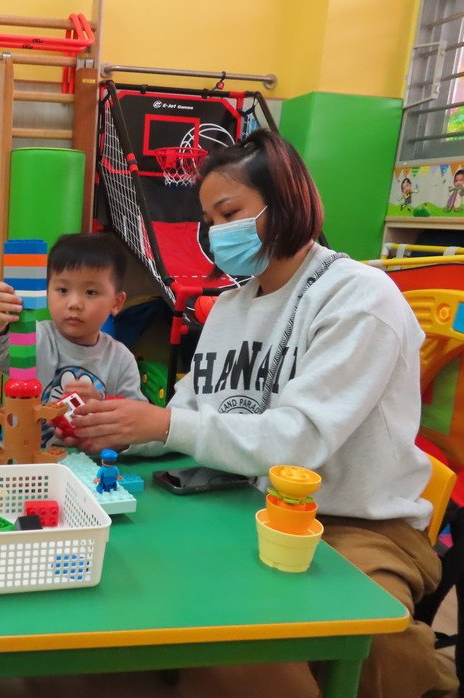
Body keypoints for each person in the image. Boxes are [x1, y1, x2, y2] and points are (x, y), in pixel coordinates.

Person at [66, 129, 458, 697]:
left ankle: (424, 680)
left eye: (229, 213)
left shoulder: (358, 297)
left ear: (288, 201)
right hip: (247, 506)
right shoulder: (230, 306)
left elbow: (299, 441)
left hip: (355, 524)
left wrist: (165, 424)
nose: (217, 233)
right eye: (209, 221)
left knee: (333, 642)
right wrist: (120, 428)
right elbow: (190, 413)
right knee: (175, 608)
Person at [0, 232, 145, 425]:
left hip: (94, 445)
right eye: (63, 290)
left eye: (91, 292)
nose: (74, 304)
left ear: (116, 302)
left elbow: (136, 422)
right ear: (47, 291)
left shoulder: (121, 361)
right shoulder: (34, 337)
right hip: (28, 443)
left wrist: (102, 406)